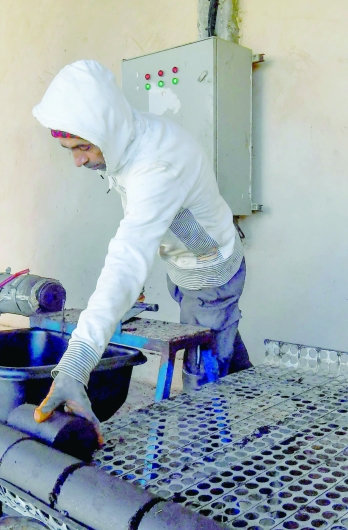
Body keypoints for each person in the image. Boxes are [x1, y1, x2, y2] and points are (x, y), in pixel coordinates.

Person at [32, 60, 251, 434]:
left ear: (107, 130)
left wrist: (75, 365)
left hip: (211, 279)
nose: (78, 159)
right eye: (70, 149)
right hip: (186, 268)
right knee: (223, 349)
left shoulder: (157, 166)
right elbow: (147, 224)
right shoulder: (133, 137)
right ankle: (261, 396)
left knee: (201, 386)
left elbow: (128, 254)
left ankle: (205, 477)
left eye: (83, 147)